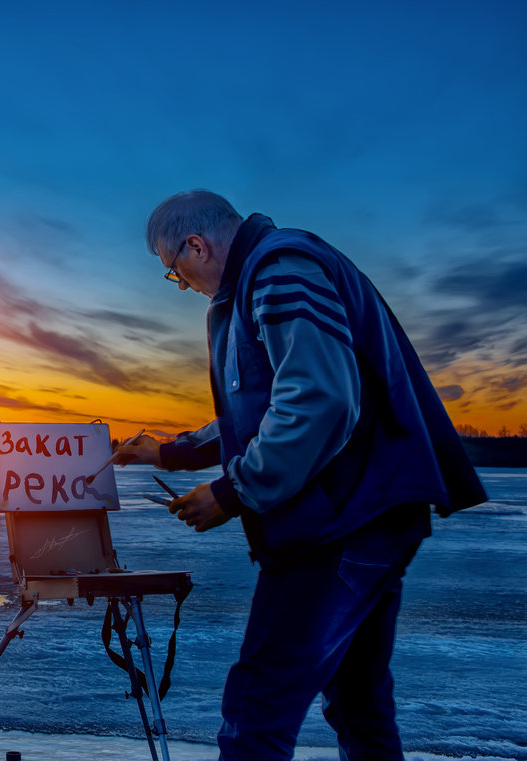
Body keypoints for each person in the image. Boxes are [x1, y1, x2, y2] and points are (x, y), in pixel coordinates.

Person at [116, 190, 486, 761]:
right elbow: (262, 408)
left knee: (256, 706)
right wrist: (171, 453)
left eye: (174, 272)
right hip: (375, 511)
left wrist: (232, 491)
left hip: (342, 519)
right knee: (358, 703)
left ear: (196, 245)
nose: (183, 284)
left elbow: (318, 400)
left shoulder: (278, 268)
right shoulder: (269, 275)